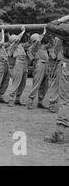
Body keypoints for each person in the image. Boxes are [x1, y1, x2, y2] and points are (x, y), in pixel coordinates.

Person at [44, 14, 69, 144]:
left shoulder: (67, 29)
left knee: (65, 100)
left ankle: (59, 133)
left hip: (67, 65)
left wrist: (62, 19)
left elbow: (49, 26)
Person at [26, 29, 51, 110]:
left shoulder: (42, 46)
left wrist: (51, 36)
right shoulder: (33, 47)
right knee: (36, 84)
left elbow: (51, 44)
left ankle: (40, 102)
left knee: (45, 85)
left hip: (46, 65)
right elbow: (37, 41)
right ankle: (30, 101)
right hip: (39, 65)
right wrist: (43, 33)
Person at [7, 26, 27, 107]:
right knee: (16, 82)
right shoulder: (12, 45)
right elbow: (17, 39)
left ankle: (17, 99)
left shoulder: (20, 45)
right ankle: (11, 99)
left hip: (24, 63)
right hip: (18, 63)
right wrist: (23, 31)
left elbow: (29, 43)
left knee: (23, 82)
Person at [48, 37, 63, 113]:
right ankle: (52, 103)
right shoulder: (62, 39)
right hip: (63, 63)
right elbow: (54, 55)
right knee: (57, 84)